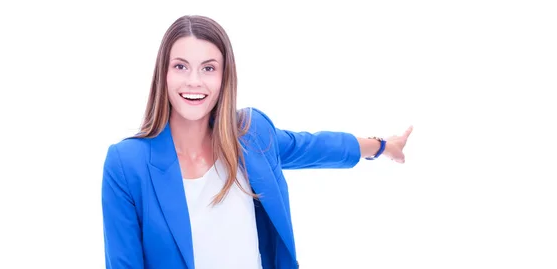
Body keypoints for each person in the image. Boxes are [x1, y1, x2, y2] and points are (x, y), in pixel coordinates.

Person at [101, 15, 413, 269]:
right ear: (163, 74)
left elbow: (313, 147)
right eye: (181, 66)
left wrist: (383, 146)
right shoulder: (127, 163)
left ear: (225, 77)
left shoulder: (251, 134)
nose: (194, 81)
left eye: (208, 68)